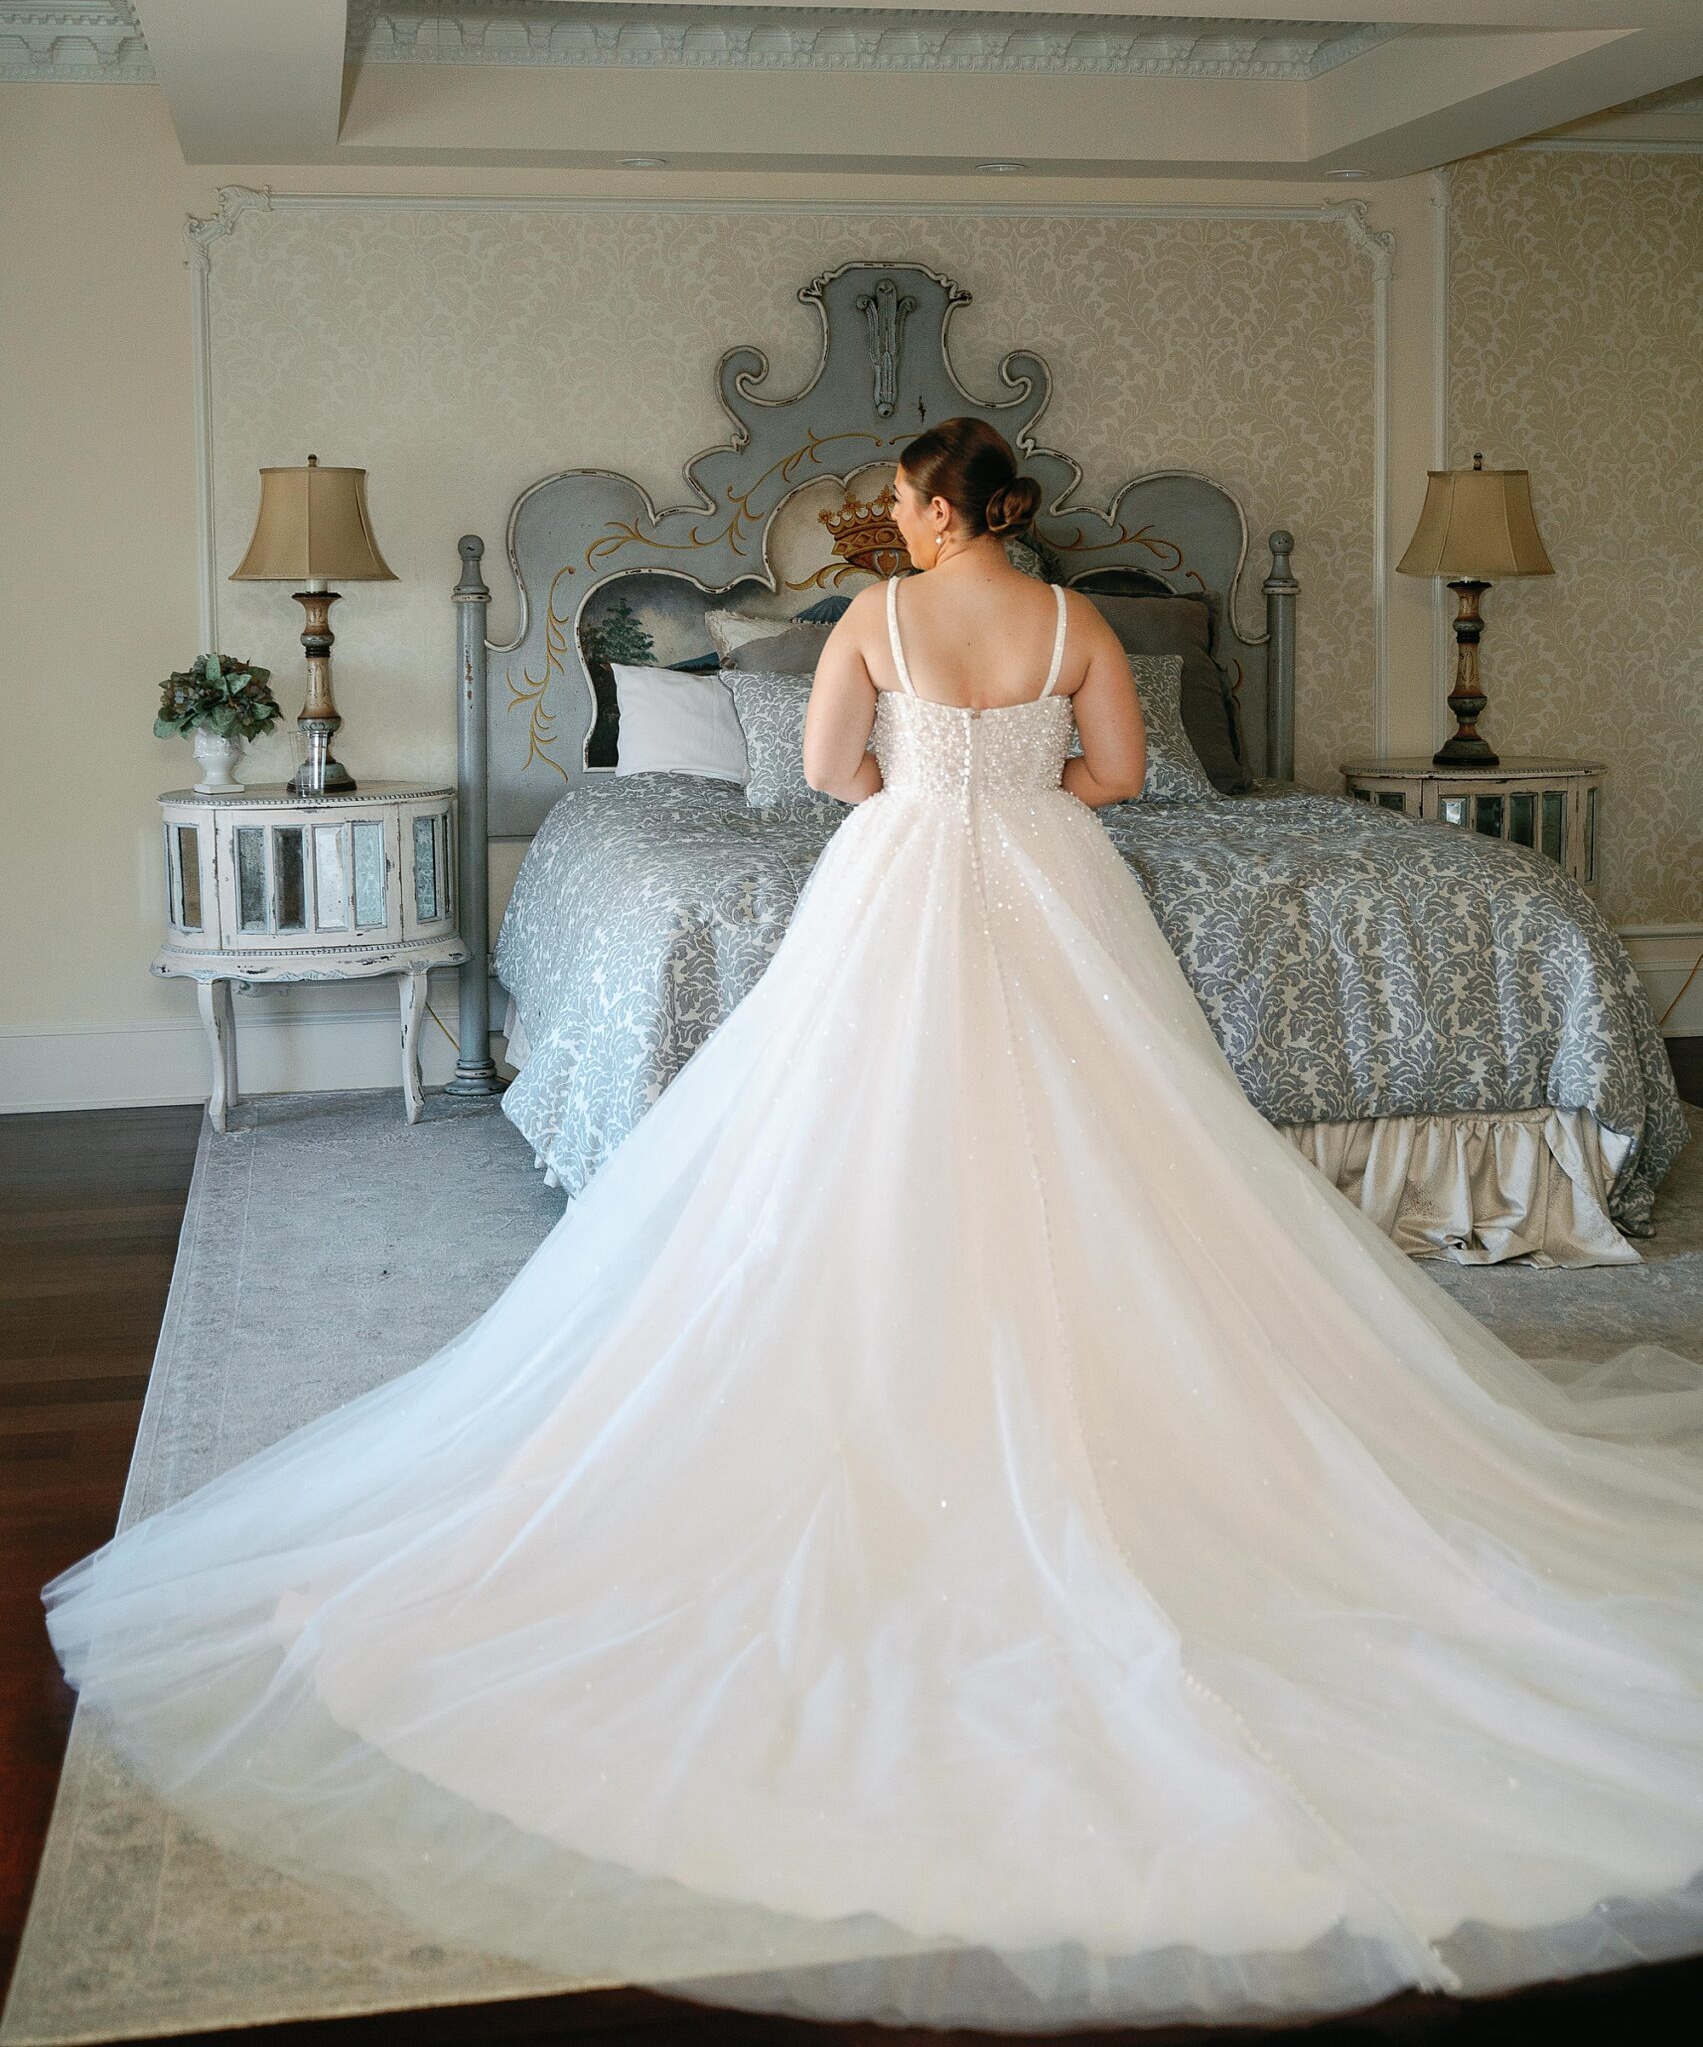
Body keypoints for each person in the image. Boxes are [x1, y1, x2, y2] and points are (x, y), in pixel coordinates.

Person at [42, 415, 1703, 2031]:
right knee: (1116, 1132)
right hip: (1063, 886)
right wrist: (1033, 797)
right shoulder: (1072, 617)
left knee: (848, 1125)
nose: (895, 522)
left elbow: (830, 770)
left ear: (937, 508)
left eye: (905, 499)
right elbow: (1122, 774)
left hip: (896, 880)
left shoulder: (877, 617)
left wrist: (924, 782)